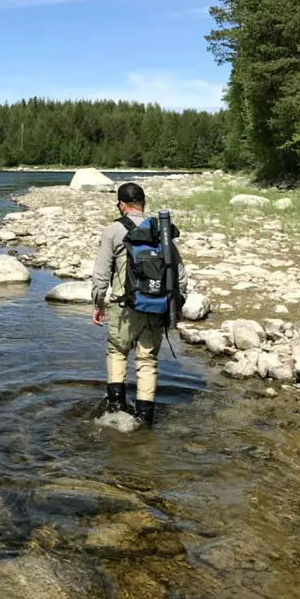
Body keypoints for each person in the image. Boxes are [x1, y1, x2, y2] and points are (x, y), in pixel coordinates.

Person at [91, 182, 187, 427]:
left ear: (121, 205)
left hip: (124, 307)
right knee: (147, 361)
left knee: (117, 351)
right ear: (143, 204)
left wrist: (98, 303)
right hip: (156, 306)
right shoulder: (160, 231)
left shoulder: (113, 230)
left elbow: (102, 274)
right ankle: (145, 418)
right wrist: (177, 306)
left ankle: (115, 408)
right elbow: (180, 274)